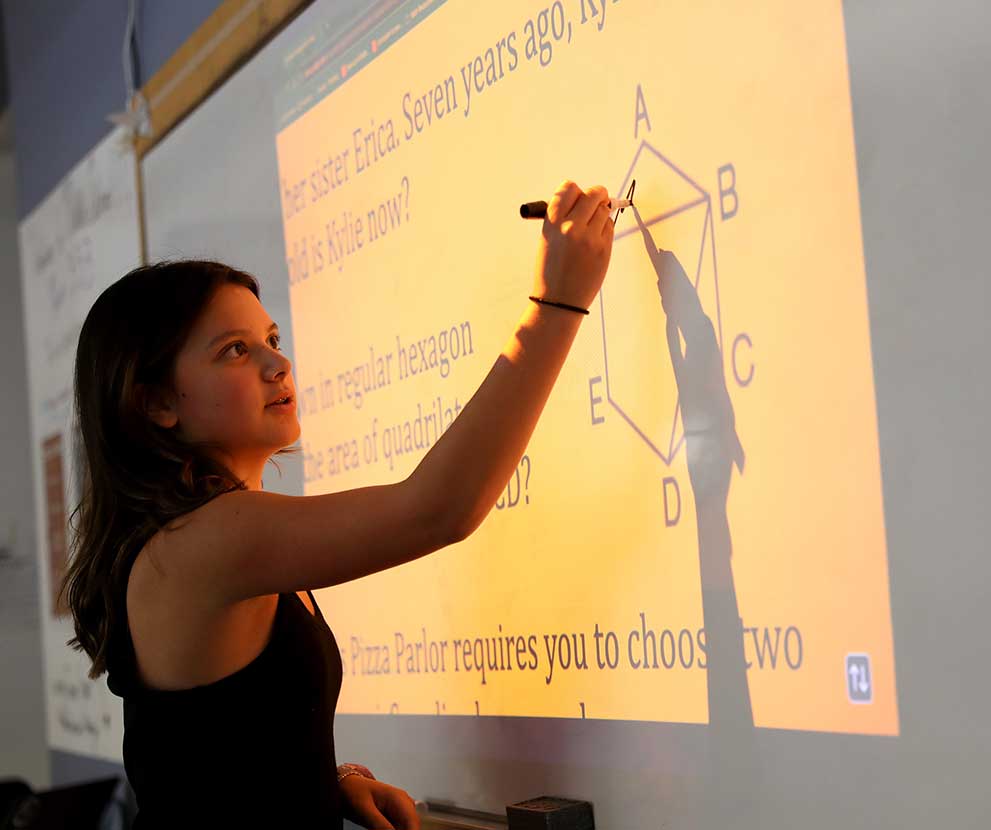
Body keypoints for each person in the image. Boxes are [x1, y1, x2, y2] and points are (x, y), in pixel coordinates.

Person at [57, 181, 615, 829]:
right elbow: (438, 509)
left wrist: (329, 782)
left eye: (271, 337)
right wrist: (559, 303)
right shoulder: (201, 541)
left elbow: (219, 755)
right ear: (155, 402)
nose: (278, 363)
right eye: (235, 350)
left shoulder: (204, 537)